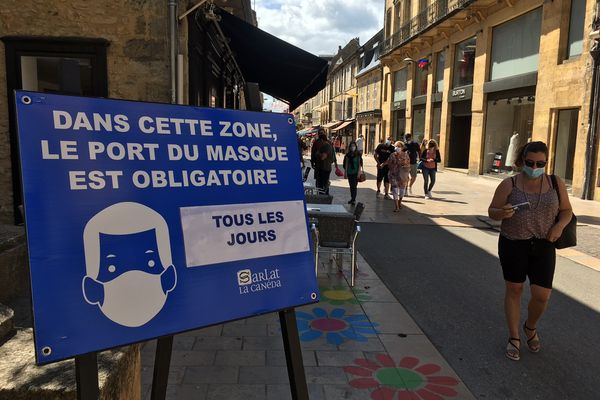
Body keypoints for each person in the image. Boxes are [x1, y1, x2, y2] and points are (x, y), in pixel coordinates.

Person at [487, 141, 572, 361]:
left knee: (541, 295)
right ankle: (514, 336)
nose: (535, 166)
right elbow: (492, 211)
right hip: (513, 243)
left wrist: (559, 226)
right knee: (514, 289)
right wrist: (501, 213)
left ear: (546, 162)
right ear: (522, 161)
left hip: (544, 244)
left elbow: (566, 211)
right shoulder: (510, 184)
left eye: (540, 163)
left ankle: (530, 327)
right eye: (530, 162)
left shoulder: (555, 183)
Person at [383, 141, 411, 211]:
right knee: (395, 190)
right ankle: (396, 206)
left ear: (402, 147)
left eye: (399, 146)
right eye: (396, 146)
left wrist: (403, 164)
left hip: (402, 175)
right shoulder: (392, 155)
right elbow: (389, 164)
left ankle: (399, 202)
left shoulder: (405, 155)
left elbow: (408, 164)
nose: (397, 148)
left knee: (402, 191)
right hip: (393, 175)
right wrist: (389, 164)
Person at [343, 141, 363, 205]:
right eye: (351, 146)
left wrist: (359, 173)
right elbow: (346, 164)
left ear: (356, 147)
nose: (352, 147)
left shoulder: (358, 154)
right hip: (349, 172)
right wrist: (345, 173)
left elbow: (360, 164)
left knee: (354, 186)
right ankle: (352, 198)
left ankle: (353, 199)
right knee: (352, 186)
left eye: (353, 146)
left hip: (355, 173)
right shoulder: (348, 155)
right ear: (349, 147)